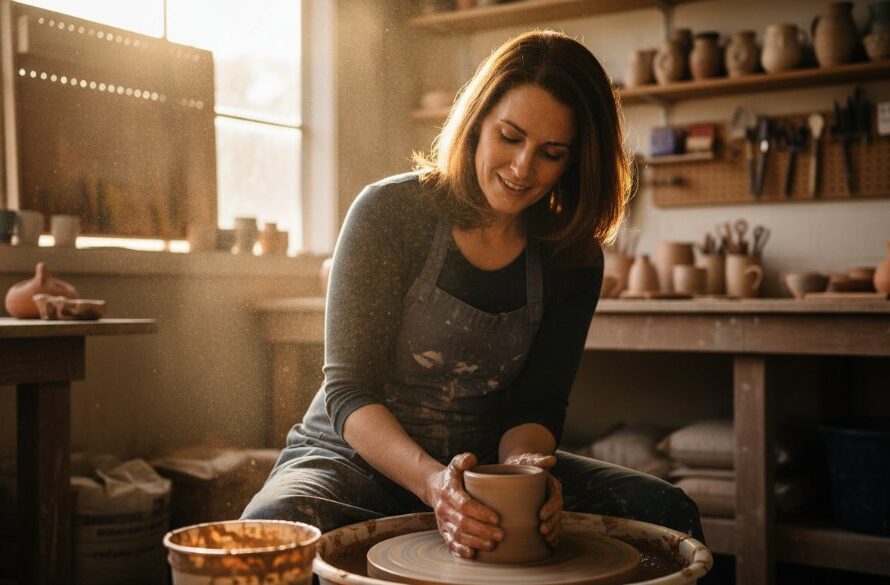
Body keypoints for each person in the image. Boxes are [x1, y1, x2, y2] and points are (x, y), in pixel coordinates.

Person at [243, 30, 703, 557]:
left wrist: (526, 473)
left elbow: (537, 401)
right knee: (269, 536)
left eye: (551, 153)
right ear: (478, 121)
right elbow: (349, 391)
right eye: (510, 137)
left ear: (575, 163)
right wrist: (434, 485)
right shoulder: (389, 213)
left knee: (668, 513)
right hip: (354, 458)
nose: (523, 168)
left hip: (484, 466)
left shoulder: (570, 255)